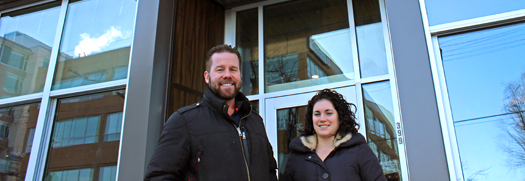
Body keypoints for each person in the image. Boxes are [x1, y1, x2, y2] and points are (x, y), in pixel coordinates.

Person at [144, 44, 278, 181]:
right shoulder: (184, 121)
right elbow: (158, 177)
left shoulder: (256, 121)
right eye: (220, 70)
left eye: (233, 69)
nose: (227, 75)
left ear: (240, 75)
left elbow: (270, 172)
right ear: (207, 77)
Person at [280, 89, 386, 181]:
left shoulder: (359, 150)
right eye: (317, 114)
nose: (322, 119)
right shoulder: (297, 155)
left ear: (340, 118)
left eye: (329, 113)